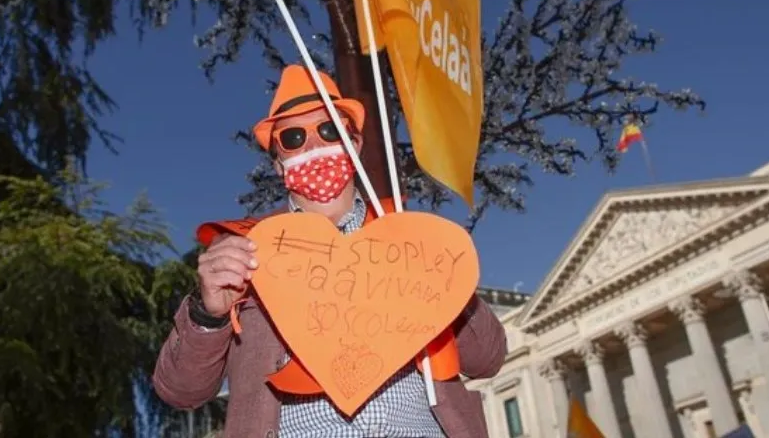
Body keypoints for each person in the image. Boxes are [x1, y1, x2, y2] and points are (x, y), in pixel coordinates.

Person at [153, 65, 507, 437]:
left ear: (355, 143)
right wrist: (209, 315)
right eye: (292, 136)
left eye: (330, 129)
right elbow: (179, 390)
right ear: (278, 163)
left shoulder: (411, 241)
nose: (314, 144)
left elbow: (489, 359)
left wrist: (444, 283)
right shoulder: (246, 254)